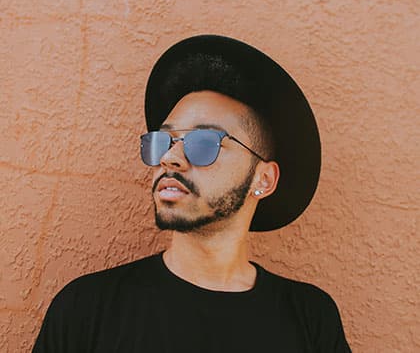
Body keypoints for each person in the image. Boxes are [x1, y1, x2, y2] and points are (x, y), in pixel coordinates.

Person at [33, 35, 351, 352]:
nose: (170, 158)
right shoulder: (87, 310)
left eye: (203, 144)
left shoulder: (310, 320)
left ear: (263, 179)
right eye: (164, 141)